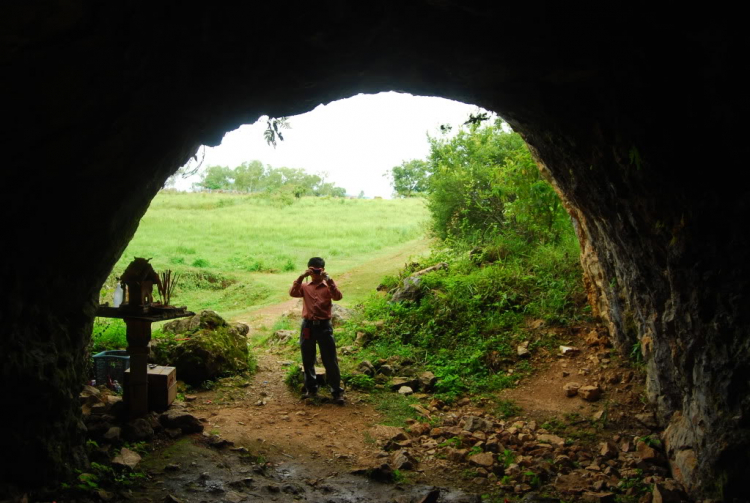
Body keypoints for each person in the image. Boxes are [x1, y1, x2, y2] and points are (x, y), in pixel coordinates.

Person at [289, 257, 345, 404]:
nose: (315, 272)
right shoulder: (305, 286)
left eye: (318, 270)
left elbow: (338, 297)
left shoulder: (328, 287)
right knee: (308, 359)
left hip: (324, 326)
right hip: (307, 326)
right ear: (309, 269)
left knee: (330, 360)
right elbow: (293, 292)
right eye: (312, 270)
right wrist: (301, 277)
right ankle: (311, 389)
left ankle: (337, 392)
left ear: (323, 270)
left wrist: (330, 281)